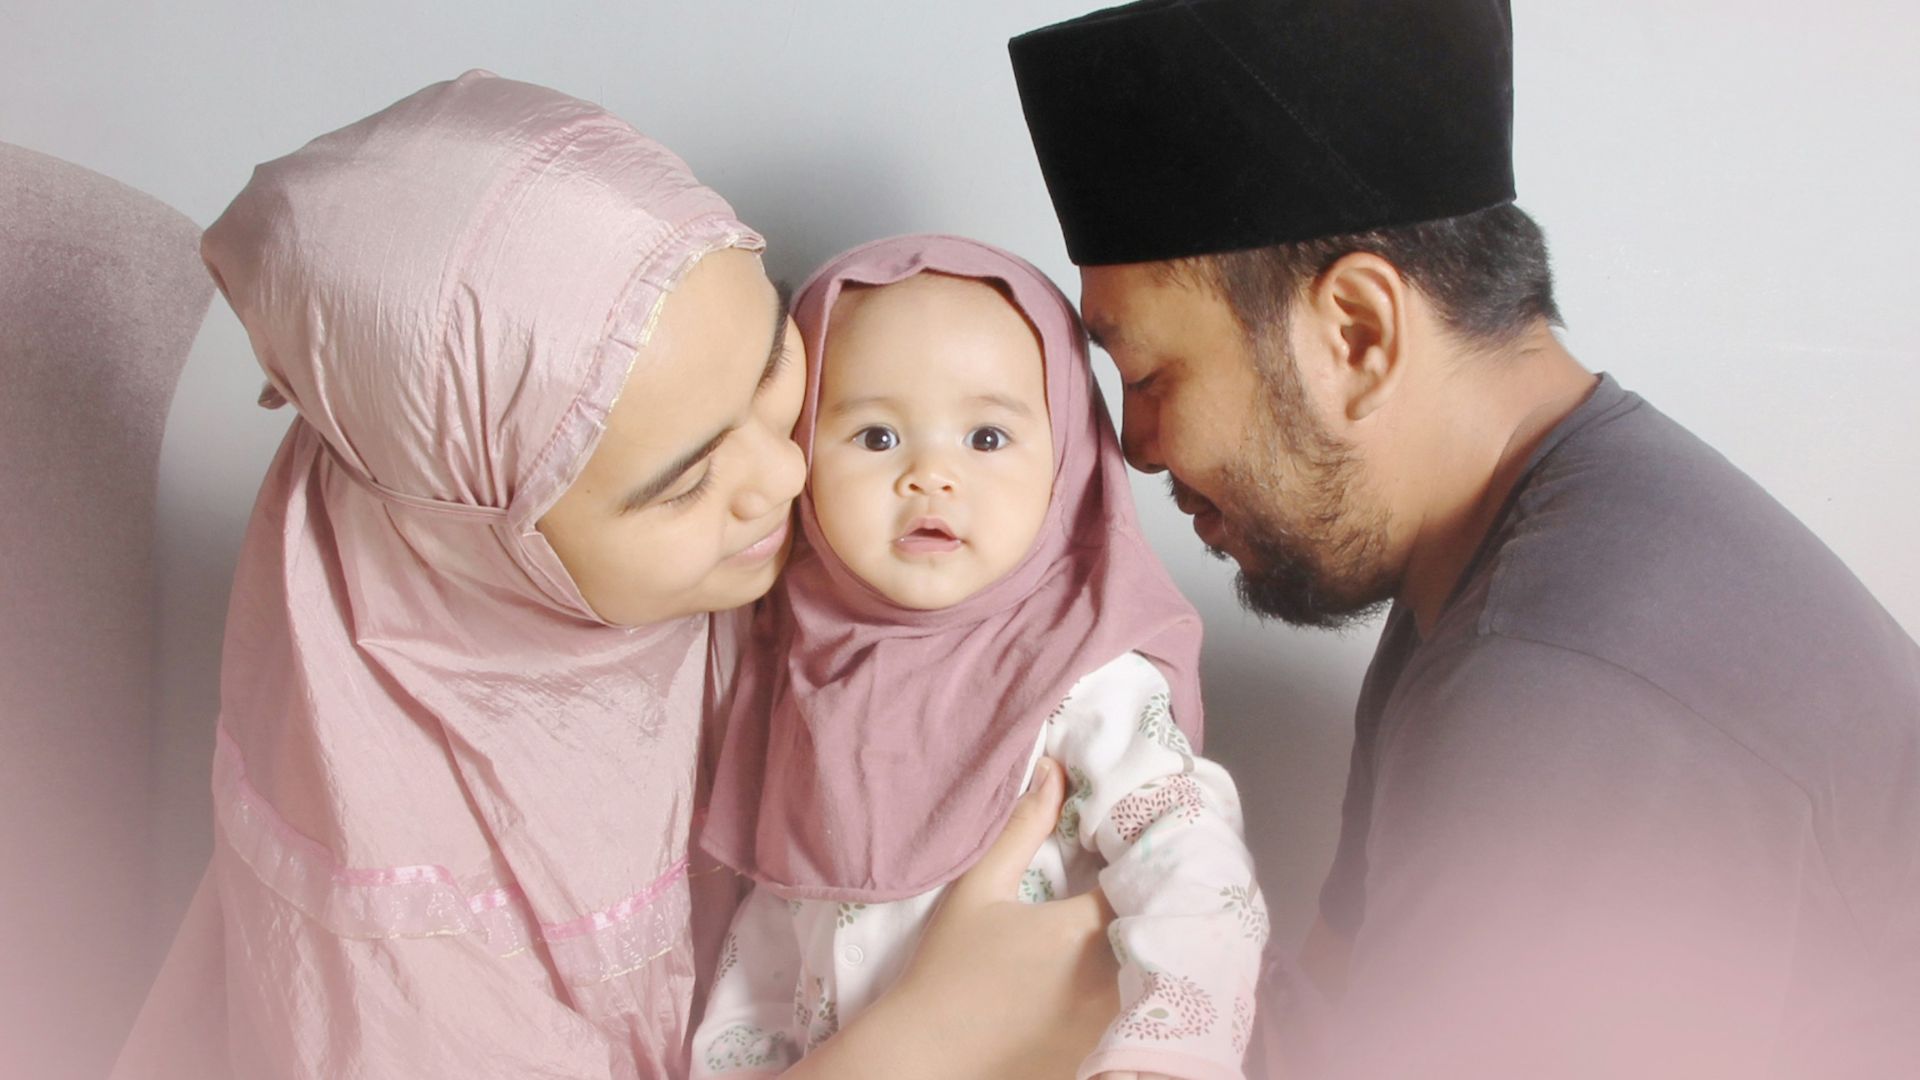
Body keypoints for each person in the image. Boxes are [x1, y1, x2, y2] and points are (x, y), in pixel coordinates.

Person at [112, 72, 1116, 1080]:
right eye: (683, 486)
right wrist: (921, 1042)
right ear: (493, 549)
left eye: (772, 364)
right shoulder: (394, 906)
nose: (787, 473)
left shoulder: (783, 539)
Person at [1008, 1, 1920, 1077]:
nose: (1138, 447)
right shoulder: (1504, 567)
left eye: (1152, 376)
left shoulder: (1563, 681)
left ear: (1358, 334)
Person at [693, 235, 1264, 1080]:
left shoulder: (1088, 678)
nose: (931, 476)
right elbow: (771, 951)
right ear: (802, 463)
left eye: (987, 439)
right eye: (877, 437)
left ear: (1066, 466)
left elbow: (1192, 866)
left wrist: (1165, 1053)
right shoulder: (799, 683)